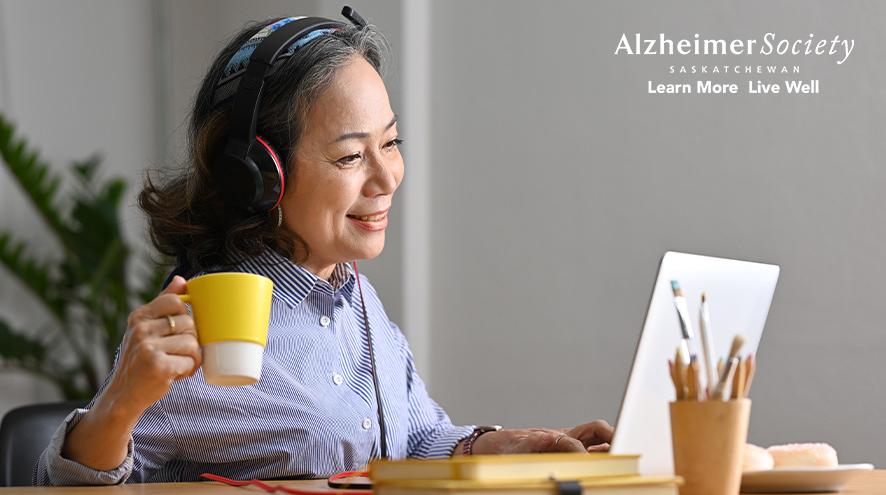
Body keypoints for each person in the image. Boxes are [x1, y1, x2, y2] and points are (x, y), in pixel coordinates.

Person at [34, 10, 612, 486]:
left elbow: (411, 441)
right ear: (259, 174)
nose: (387, 178)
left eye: (391, 142)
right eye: (350, 156)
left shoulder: (357, 300)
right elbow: (66, 485)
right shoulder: (203, 321)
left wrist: (498, 445)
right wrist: (116, 408)